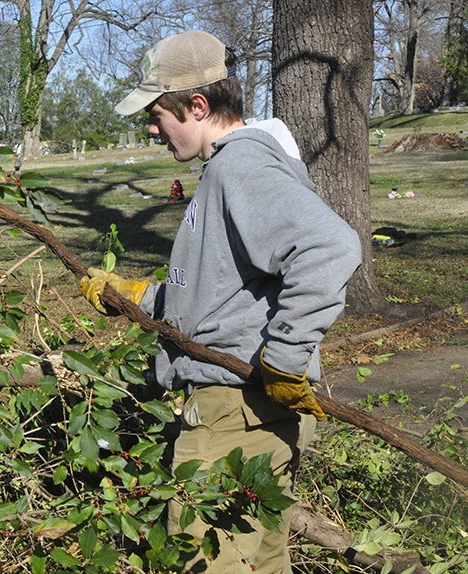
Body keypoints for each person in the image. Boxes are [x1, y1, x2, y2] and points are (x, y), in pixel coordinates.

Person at [81, 30, 361, 573]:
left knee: (203, 562)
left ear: (198, 106)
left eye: (157, 113)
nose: (150, 126)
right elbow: (227, 293)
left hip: (231, 416)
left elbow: (331, 247)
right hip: (258, 415)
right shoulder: (241, 165)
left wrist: (284, 356)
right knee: (263, 561)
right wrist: (142, 298)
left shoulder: (240, 167)